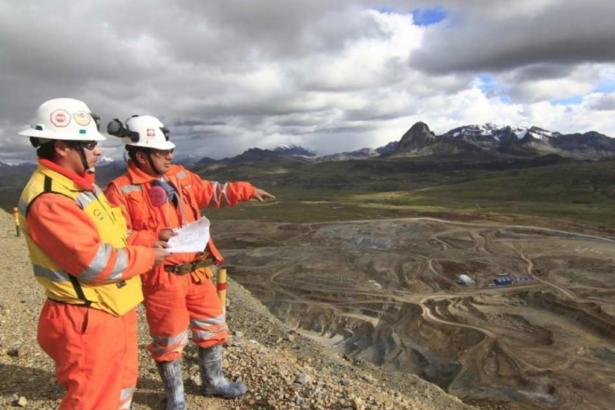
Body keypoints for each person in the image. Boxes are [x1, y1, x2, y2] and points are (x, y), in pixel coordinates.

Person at [105, 115, 275, 410]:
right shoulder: (119, 190)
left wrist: (245, 190)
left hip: (197, 272)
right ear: (141, 155)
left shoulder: (180, 176)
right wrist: (153, 236)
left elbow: (210, 191)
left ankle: (214, 382)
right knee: (168, 340)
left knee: (212, 327)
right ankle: (176, 397)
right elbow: (117, 236)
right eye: (161, 152)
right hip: (162, 277)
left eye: (169, 150)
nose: (169, 155)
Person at [16, 99, 170, 410]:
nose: (99, 151)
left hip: (112, 309)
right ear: (61, 146)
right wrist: (147, 258)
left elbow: (115, 236)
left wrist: (153, 237)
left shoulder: (83, 188)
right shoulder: (50, 199)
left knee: (121, 387)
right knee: (93, 400)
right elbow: (94, 263)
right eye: (89, 144)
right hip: (85, 317)